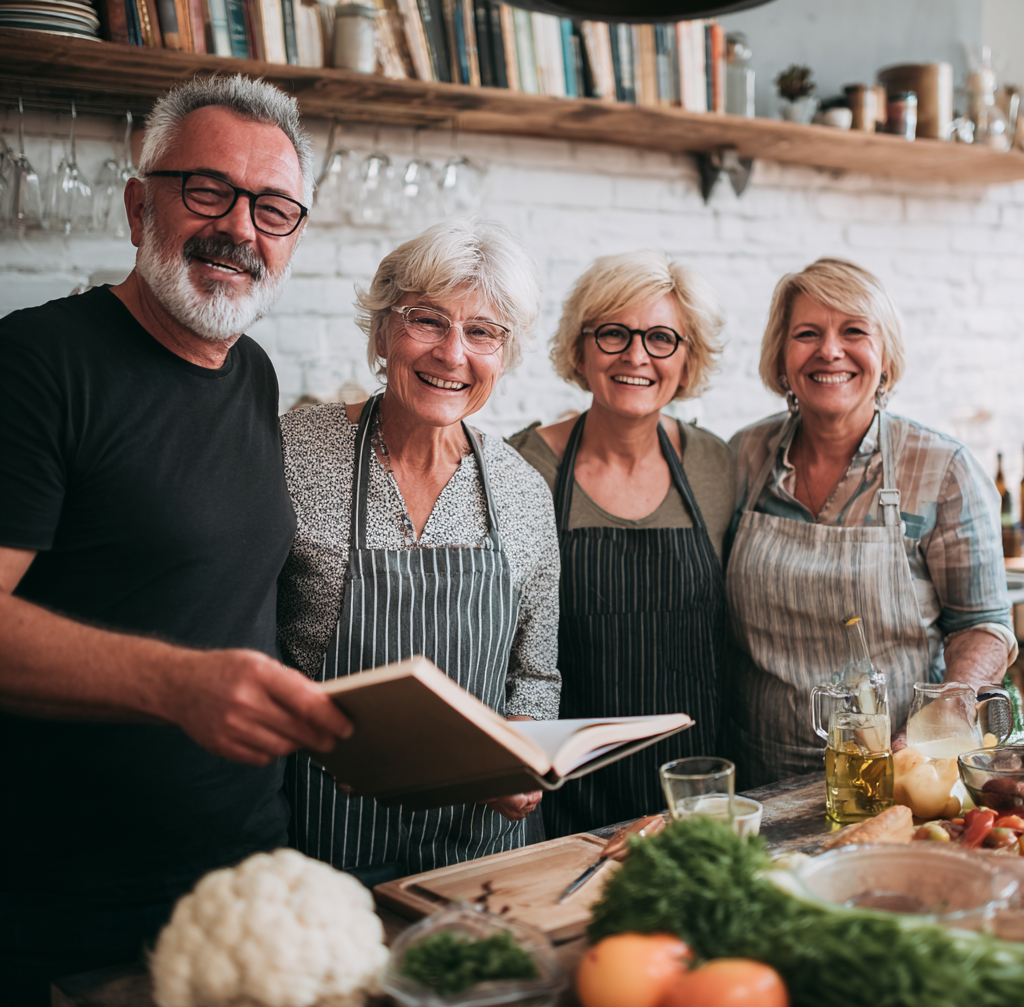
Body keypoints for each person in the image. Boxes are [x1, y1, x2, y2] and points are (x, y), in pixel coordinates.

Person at [0, 76, 353, 1007]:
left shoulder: (251, 373)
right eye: (208, 190)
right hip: (67, 902)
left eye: (272, 207)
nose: (240, 227)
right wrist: (176, 686)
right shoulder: (36, 366)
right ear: (136, 203)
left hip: (244, 881)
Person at [277, 219, 561, 876]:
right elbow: (245, 642)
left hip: (476, 850)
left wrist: (522, 759)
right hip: (319, 837)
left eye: (482, 332)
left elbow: (536, 674)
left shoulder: (521, 491)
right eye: (428, 321)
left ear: (504, 353)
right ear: (381, 332)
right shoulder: (290, 453)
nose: (453, 353)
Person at [726, 257, 1017, 789]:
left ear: (885, 356)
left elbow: (983, 627)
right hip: (758, 775)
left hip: (898, 772)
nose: (830, 350)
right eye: (807, 333)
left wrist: (936, 725)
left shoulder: (941, 467)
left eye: (853, 331)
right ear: (781, 356)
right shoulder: (745, 456)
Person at [508, 251, 734, 836]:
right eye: (614, 333)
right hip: (563, 794)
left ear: (688, 360)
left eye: (662, 338)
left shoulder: (718, 465)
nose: (636, 356)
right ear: (581, 350)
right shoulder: (522, 465)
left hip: (697, 788)